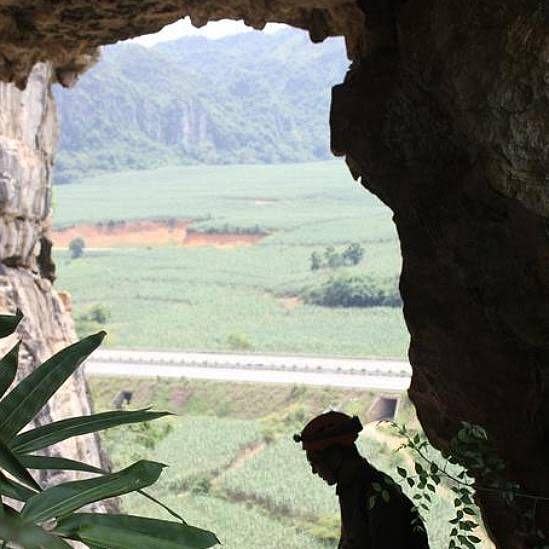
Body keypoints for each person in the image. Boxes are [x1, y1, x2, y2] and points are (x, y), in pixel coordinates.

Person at [294, 411, 430, 548]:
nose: (314, 471)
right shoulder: (352, 488)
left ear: (335, 456)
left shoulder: (379, 493)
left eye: (314, 462)